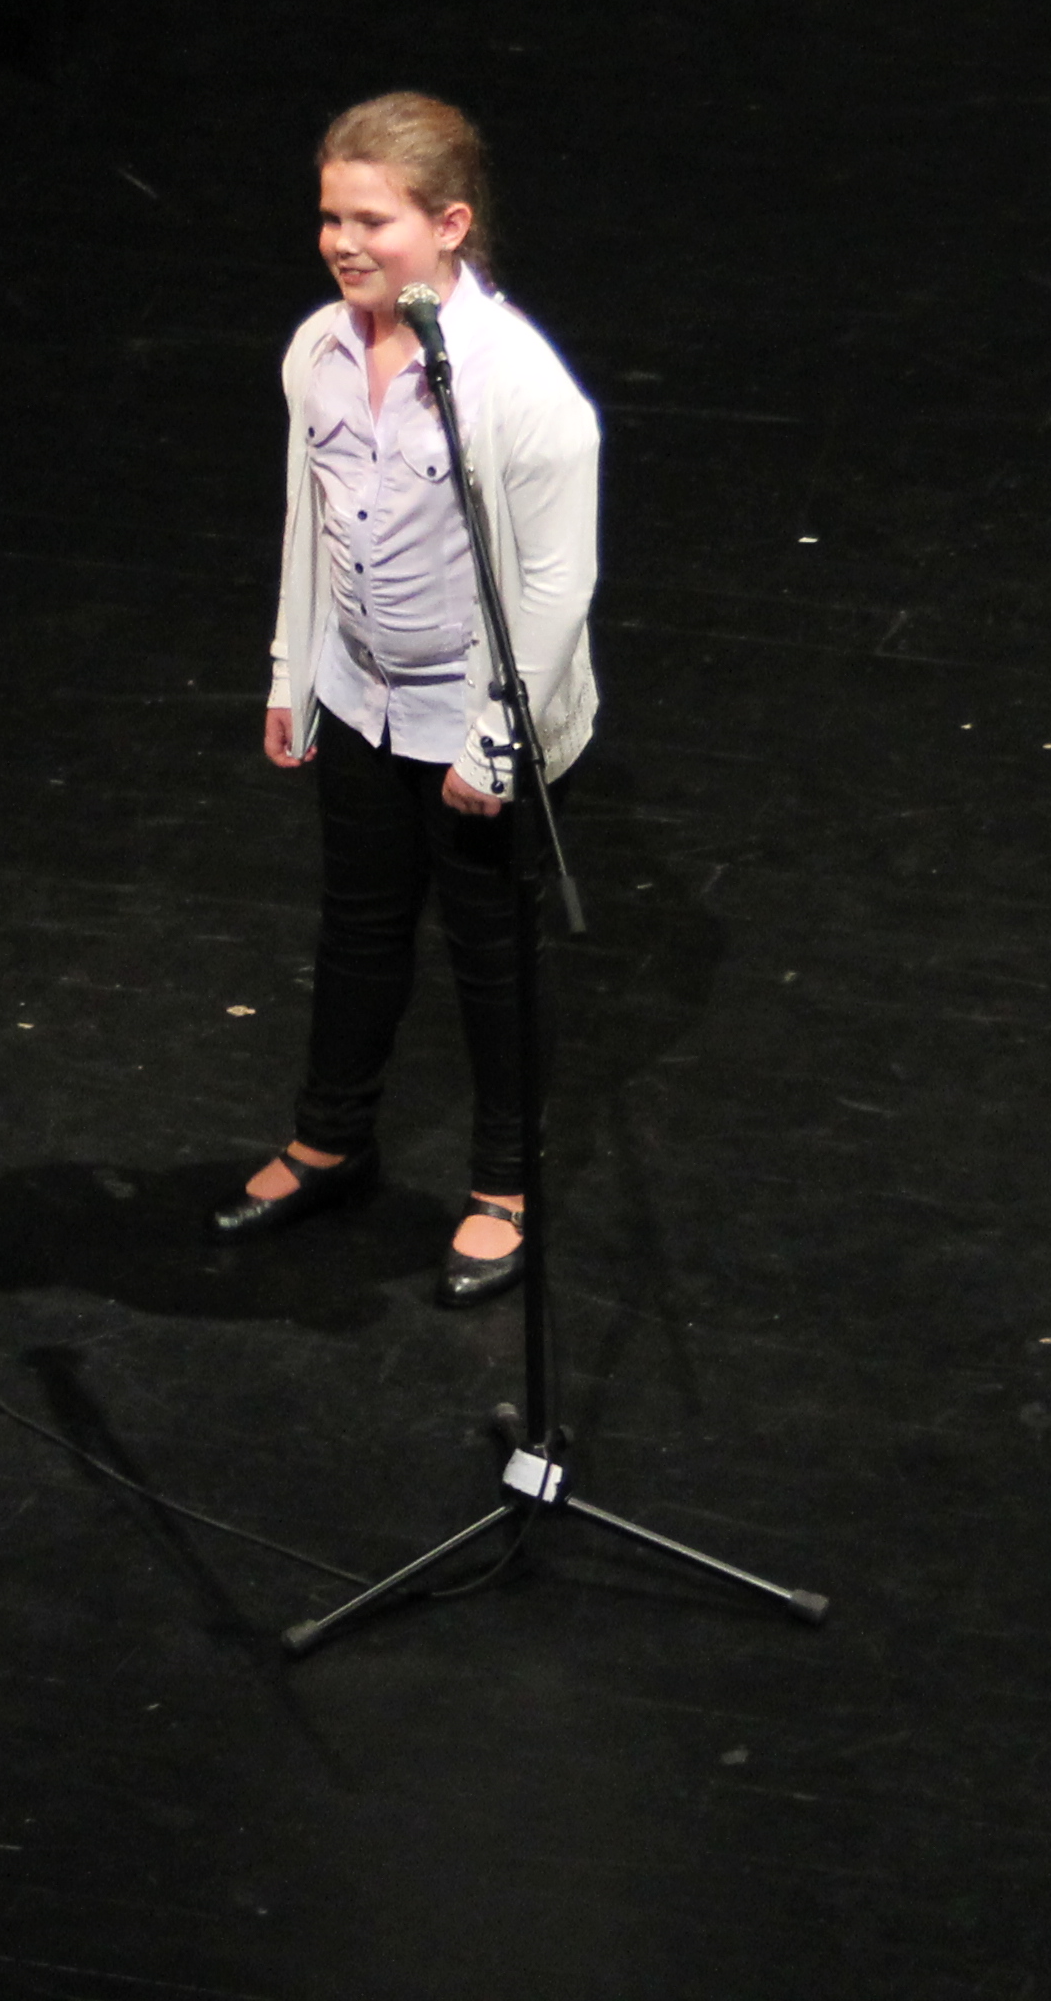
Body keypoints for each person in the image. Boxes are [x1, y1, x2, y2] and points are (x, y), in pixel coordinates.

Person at [215, 92, 600, 1307]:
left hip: (474, 718)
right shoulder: (317, 352)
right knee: (359, 928)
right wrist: (293, 669)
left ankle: (507, 1185)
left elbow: (557, 582)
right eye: (331, 217)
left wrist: (497, 742)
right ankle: (330, 1138)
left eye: (371, 221)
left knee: (493, 958)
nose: (343, 243)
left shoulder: (516, 382)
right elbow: (308, 520)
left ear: (448, 225)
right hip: (360, 695)